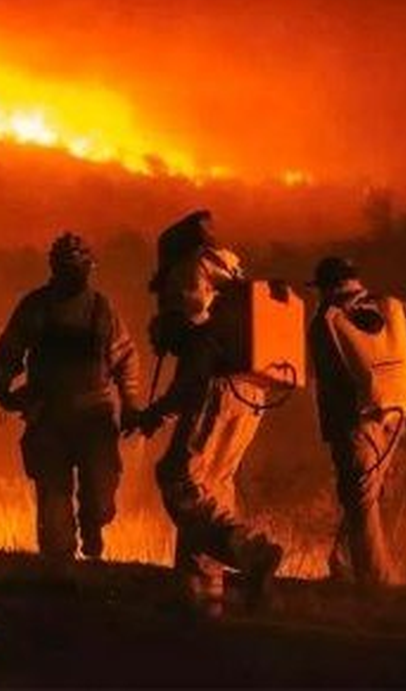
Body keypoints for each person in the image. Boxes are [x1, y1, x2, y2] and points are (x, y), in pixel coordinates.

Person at [126, 211, 283, 612]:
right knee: (214, 484)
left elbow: (195, 346)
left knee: (179, 478)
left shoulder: (190, 269)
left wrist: (166, 332)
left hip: (219, 387)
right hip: (254, 390)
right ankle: (200, 588)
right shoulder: (231, 272)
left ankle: (251, 553)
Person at [0, 232, 140, 561]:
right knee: (54, 507)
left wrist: (130, 403)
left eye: (79, 266)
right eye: (66, 267)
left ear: (89, 267)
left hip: (95, 419)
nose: (73, 274)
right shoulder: (36, 307)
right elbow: (10, 349)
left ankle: (92, 531)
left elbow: (125, 357)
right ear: (54, 268)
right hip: (49, 418)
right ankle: (61, 578)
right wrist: (2, 387)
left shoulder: (102, 310)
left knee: (100, 500)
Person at [308, 256, 406, 588]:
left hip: (358, 419)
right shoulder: (394, 306)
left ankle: (376, 582)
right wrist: (394, 377)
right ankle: (341, 564)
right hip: (398, 413)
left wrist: (342, 420)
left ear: (328, 287)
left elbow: (330, 381)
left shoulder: (327, 319)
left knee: (361, 499)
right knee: (364, 495)